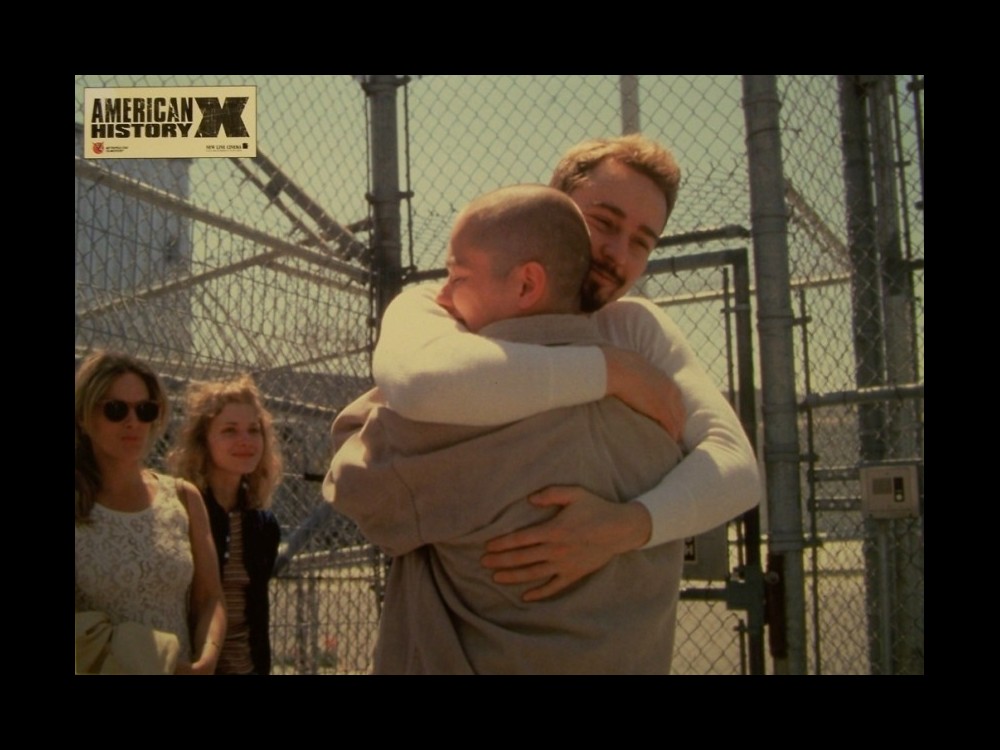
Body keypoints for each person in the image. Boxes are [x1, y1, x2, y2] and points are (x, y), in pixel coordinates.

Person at [371, 134, 760, 604]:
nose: (618, 253)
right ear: (553, 205)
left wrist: (622, 527)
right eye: (604, 222)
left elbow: (736, 467)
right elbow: (421, 384)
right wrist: (612, 372)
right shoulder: (450, 301)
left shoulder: (635, 328)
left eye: (641, 242)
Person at [326, 184, 687, 673]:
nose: (443, 295)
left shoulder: (446, 421)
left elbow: (351, 475)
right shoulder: (661, 413)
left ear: (525, 285)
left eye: (458, 276)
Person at [75, 350, 226, 675]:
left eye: (145, 410)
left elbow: (210, 598)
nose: (133, 422)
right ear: (84, 418)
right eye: (115, 410)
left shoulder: (183, 498)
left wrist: (205, 663)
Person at [168, 375, 283, 675]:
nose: (246, 440)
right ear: (203, 440)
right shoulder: (179, 512)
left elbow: (256, 617)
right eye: (230, 430)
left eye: (254, 430)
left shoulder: (263, 525)